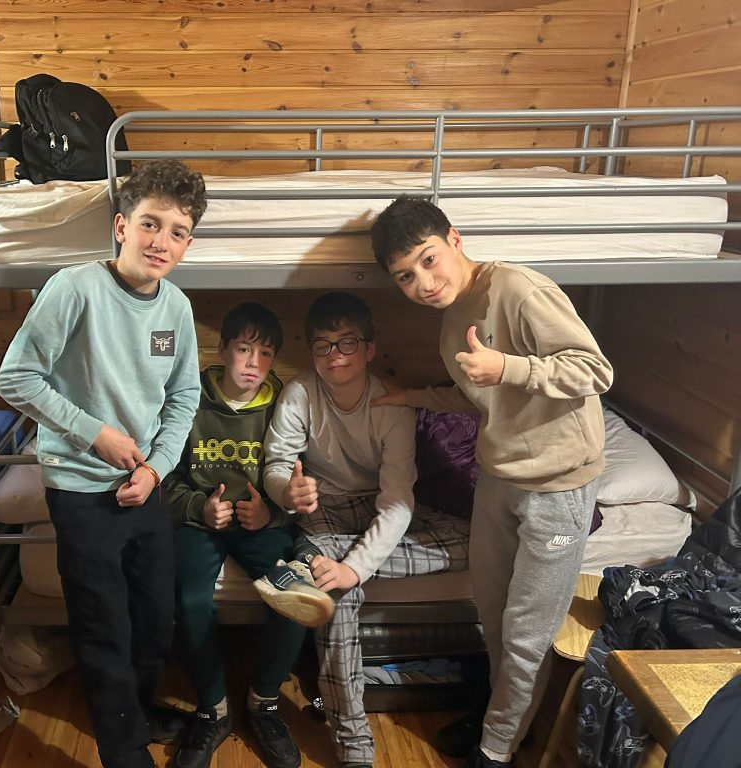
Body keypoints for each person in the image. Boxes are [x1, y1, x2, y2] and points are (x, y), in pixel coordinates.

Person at [369, 197, 614, 768]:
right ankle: (504, 724)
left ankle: (496, 750)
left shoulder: (519, 290)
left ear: (455, 239)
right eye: (405, 277)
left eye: (429, 260)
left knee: (527, 633)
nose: (423, 283)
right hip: (499, 477)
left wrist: (509, 366)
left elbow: (595, 370)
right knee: (495, 614)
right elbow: (479, 396)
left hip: (558, 485)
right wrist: (412, 397)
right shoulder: (452, 317)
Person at [0, 159, 207, 768]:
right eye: (150, 223)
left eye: (178, 231)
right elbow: (16, 378)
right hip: (81, 491)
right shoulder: (75, 288)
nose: (161, 241)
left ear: (187, 244)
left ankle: (135, 715)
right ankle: (124, 751)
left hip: (146, 486)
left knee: (155, 618)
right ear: (121, 227)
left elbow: (184, 397)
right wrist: (96, 435)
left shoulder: (177, 309)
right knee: (104, 627)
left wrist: (155, 468)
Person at [258, 291, 470, 768]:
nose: (334, 354)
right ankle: (355, 746)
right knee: (337, 593)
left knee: (479, 541)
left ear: (370, 348)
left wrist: (354, 566)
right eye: (322, 344)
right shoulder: (300, 393)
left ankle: (308, 566)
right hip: (327, 506)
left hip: (379, 504)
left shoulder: (392, 405)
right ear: (312, 351)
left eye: (347, 342)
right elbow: (277, 465)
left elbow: (397, 501)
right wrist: (287, 492)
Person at [164, 302, 306, 768]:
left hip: (259, 525)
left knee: (296, 594)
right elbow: (166, 479)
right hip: (202, 522)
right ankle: (213, 708)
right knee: (189, 599)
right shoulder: (189, 399)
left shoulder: (283, 406)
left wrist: (271, 516)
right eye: (244, 349)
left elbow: (294, 478)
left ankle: (264, 701)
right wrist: (200, 508)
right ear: (223, 349)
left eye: (265, 354)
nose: (253, 363)